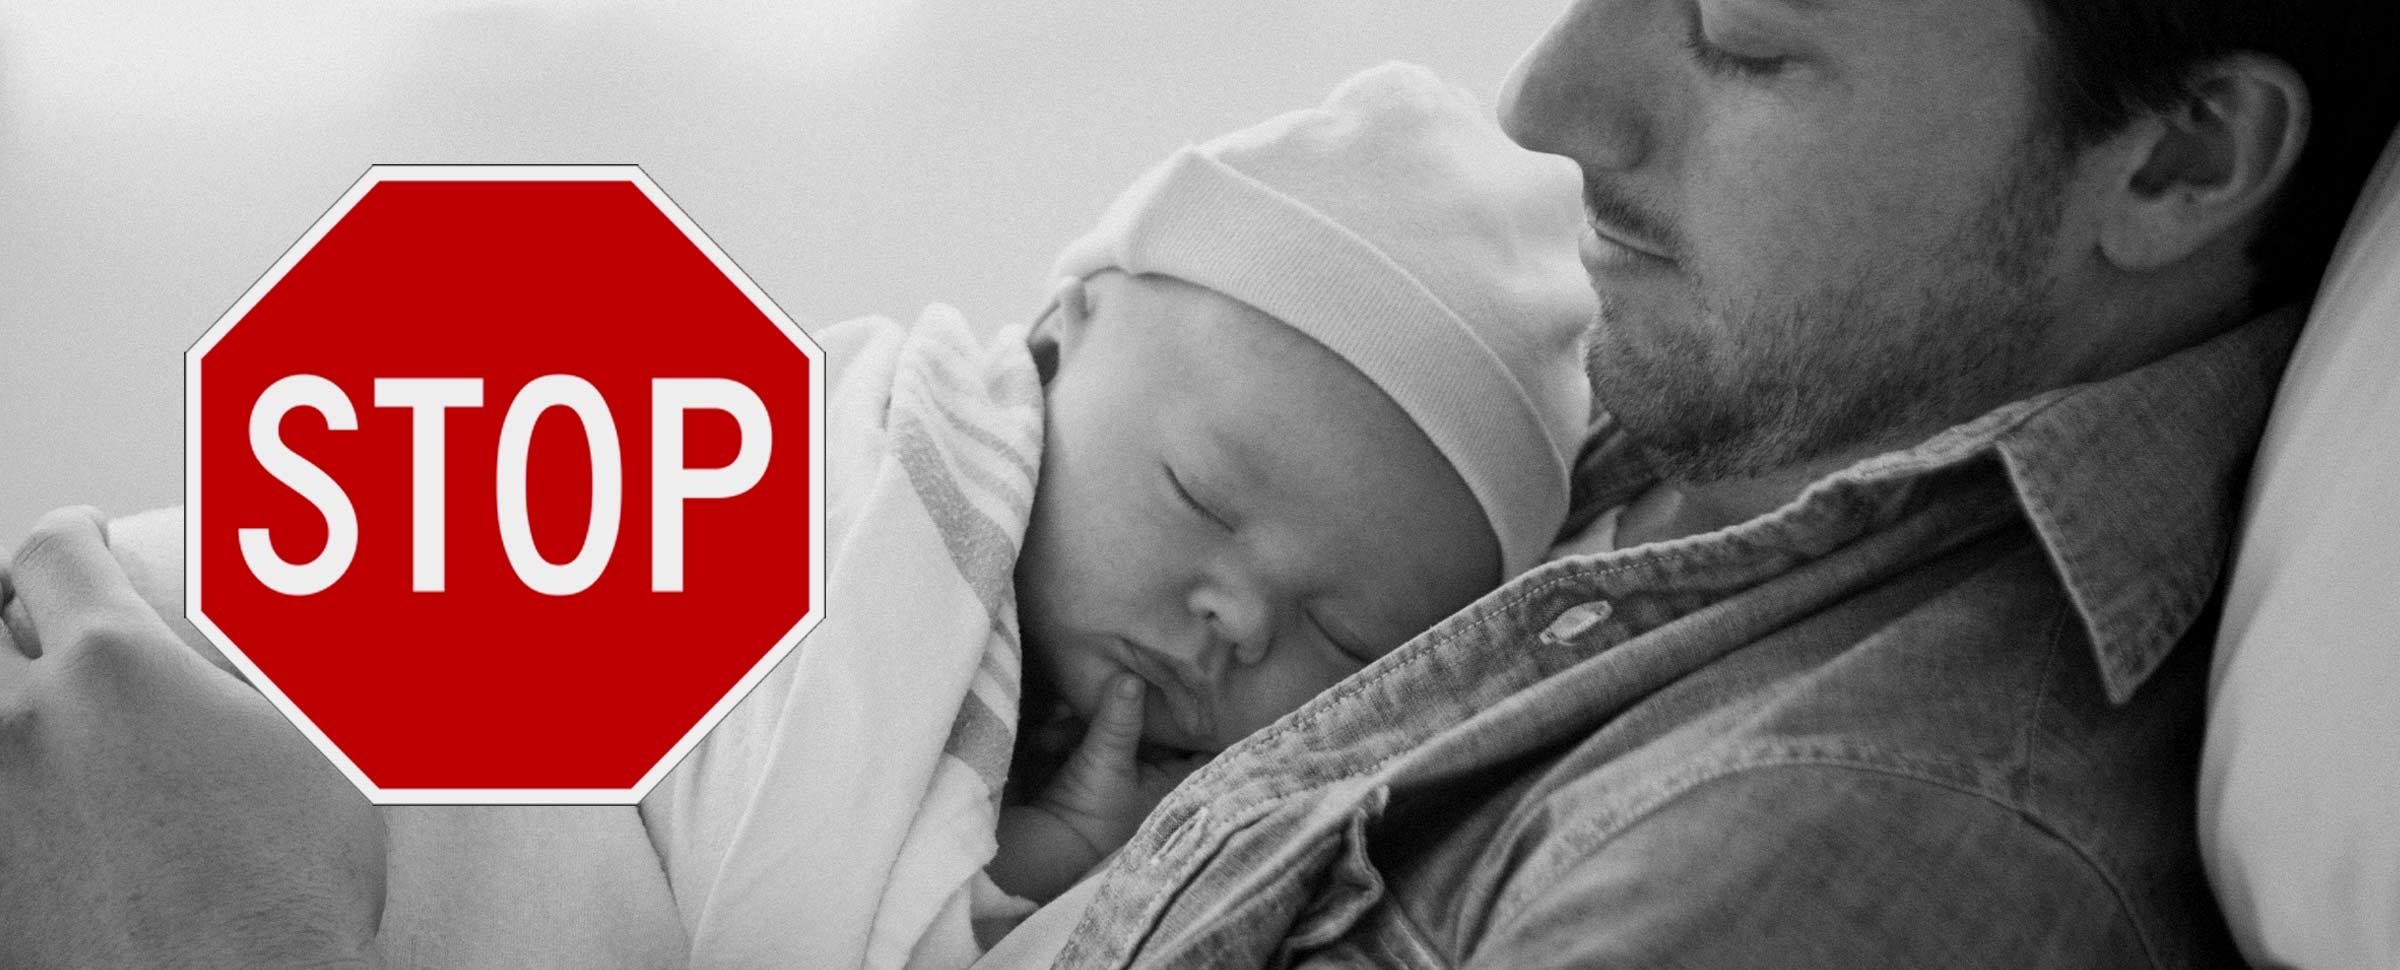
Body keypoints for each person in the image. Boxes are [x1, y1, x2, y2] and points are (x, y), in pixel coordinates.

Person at [3, 0, 2397, 966]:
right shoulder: (1698, 467)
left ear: (2177, 153)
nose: (1554, 113)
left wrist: (217, 892)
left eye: (1746, 37)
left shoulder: (1837, 832)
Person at [636, 61, 1594, 967]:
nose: (1244, 621)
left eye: (1343, 635)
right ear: (1063, 334)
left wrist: (1028, 865)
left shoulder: (1179, 828)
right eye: (1200, 495)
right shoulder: (862, 466)